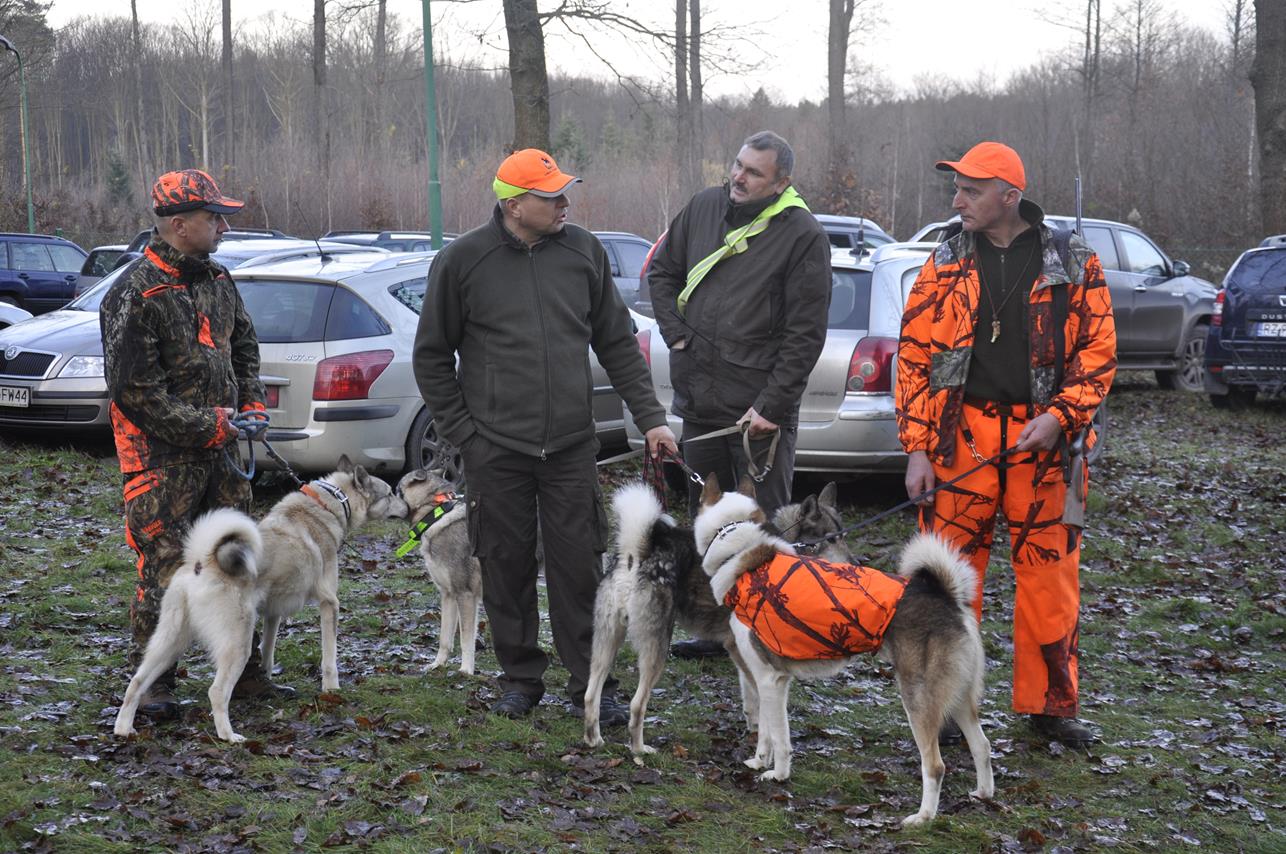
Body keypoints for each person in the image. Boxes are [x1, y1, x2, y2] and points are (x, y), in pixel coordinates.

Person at [412, 148, 678, 723]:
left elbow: (616, 342)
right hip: (496, 450)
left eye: (563, 192)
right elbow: (432, 358)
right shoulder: (462, 262)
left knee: (579, 567)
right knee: (504, 566)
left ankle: (592, 681)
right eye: (550, 195)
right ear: (513, 205)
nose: (564, 203)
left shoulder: (584, 251)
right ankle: (520, 678)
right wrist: (467, 436)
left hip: (570, 448)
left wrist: (652, 418)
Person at [895, 141, 1116, 746]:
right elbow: (913, 356)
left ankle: (1049, 708)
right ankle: (943, 707)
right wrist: (917, 447)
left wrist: (1062, 417)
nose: (958, 199)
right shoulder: (943, 260)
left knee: (1049, 577)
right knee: (947, 582)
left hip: (1043, 446)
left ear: (1009, 196)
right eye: (956, 188)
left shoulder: (1071, 259)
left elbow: (1098, 353)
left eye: (971, 189)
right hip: (957, 440)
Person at [101, 168, 288, 721]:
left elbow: (245, 346)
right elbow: (136, 393)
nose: (224, 226)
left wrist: (252, 403)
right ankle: (156, 684)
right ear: (180, 225)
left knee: (236, 558)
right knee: (166, 570)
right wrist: (209, 426)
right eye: (214, 217)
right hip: (159, 463)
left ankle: (243, 671)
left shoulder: (219, 279)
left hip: (224, 456)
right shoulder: (133, 295)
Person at [647, 130, 831, 659]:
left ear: (781, 182)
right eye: (737, 165)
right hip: (699, 402)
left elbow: (805, 334)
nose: (739, 176)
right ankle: (716, 625)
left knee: (764, 523)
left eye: (754, 172)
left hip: (758, 415)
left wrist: (772, 406)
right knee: (705, 516)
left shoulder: (802, 234)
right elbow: (661, 272)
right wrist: (676, 335)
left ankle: (770, 632)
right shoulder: (703, 206)